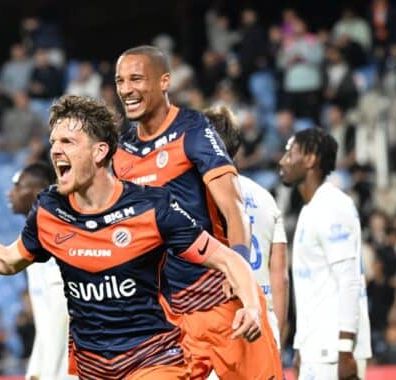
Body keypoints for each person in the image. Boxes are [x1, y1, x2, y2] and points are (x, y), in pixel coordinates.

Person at [0, 95, 266, 380]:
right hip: (94, 370)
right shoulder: (49, 210)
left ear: (99, 152)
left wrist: (250, 305)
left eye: (68, 141)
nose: (56, 150)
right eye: (53, 142)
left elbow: (227, 258)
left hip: (153, 361)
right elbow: (5, 259)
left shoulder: (151, 207)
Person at [113, 45, 280, 379]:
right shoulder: (121, 151)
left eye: (136, 79)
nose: (126, 89)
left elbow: (233, 209)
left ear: (164, 82)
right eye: (120, 81)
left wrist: (239, 271)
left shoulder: (193, 129)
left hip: (220, 299)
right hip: (168, 318)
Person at [278, 128, 372, 380]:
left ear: (310, 159)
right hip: (316, 350)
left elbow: (349, 280)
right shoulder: (311, 209)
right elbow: (313, 291)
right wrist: (300, 347)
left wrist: (344, 350)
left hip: (333, 353)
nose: (282, 160)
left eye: (291, 153)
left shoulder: (332, 206)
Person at [205, 105, 289, 349]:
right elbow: (279, 274)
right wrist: (277, 332)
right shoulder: (265, 197)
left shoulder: (201, 197)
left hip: (219, 323)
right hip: (262, 321)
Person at [7, 162, 73, 380]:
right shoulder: (33, 237)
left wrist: (49, 372)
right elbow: (47, 319)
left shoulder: (57, 235)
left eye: (18, 186)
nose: (11, 193)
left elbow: (62, 314)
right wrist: (36, 367)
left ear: (38, 191)